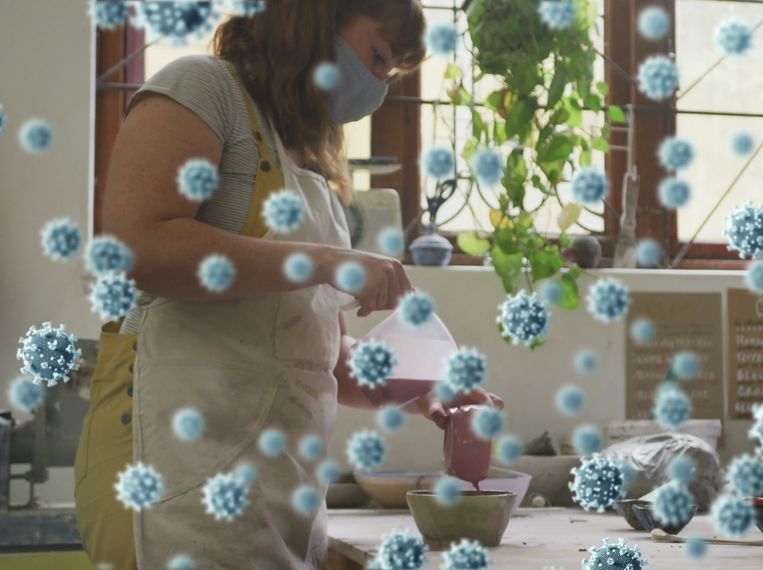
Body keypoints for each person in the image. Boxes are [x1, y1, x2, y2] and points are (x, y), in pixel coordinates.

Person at [73, 1, 503, 568]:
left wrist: (418, 390)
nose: (377, 86)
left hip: (274, 495)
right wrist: (324, 260)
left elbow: (310, 349)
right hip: (172, 475)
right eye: (376, 56)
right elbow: (136, 248)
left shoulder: (307, 162)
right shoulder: (203, 89)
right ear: (315, 19)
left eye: (391, 73)